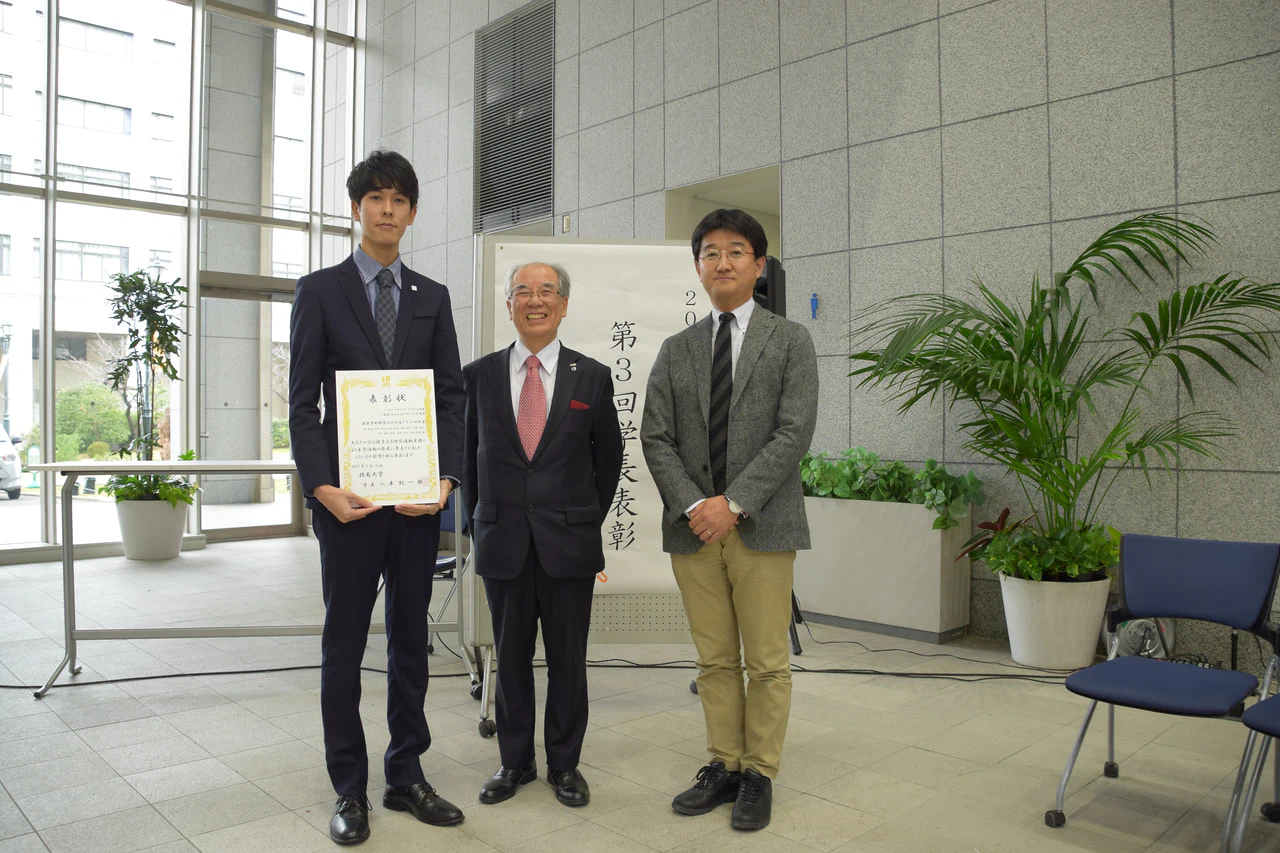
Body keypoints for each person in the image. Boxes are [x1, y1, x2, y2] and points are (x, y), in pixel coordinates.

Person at [289, 150, 466, 845]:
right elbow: (303, 405)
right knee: (343, 643)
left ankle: (406, 772)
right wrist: (320, 486)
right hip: (350, 503)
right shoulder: (320, 290)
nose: (387, 209)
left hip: (418, 505)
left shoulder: (432, 296)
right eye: (376, 197)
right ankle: (348, 785)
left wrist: (446, 481)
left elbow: (450, 397)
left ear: (413, 212)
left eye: (399, 199)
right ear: (356, 208)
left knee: (410, 644)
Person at [640, 208, 818, 832]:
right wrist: (696, 505)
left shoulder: (790, 339)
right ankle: (725, 763)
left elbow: (794, 432)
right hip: (693, 530)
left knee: (768, 659)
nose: (722, 262)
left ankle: (760, 773)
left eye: (736, 251)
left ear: (759, 265)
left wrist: (732, 503)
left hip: (762, 526)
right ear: (697, 268)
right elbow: (655, 437)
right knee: (714, 659)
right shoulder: (676, 349)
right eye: (710, 253)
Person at [462, 261, 623, 809]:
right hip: (503, 541)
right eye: (523, 292)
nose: (536, 300)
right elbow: (465, 459)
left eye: (546, 291)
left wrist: (581, 521)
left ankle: (565, 765)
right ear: (508, 305)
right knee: (508, 660)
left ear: (564, 303)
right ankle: (514, 762)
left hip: (569, 545)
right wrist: (475, 527)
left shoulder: (592, 377)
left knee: (567, 661)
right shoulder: (478, 376)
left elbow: (609, 463)